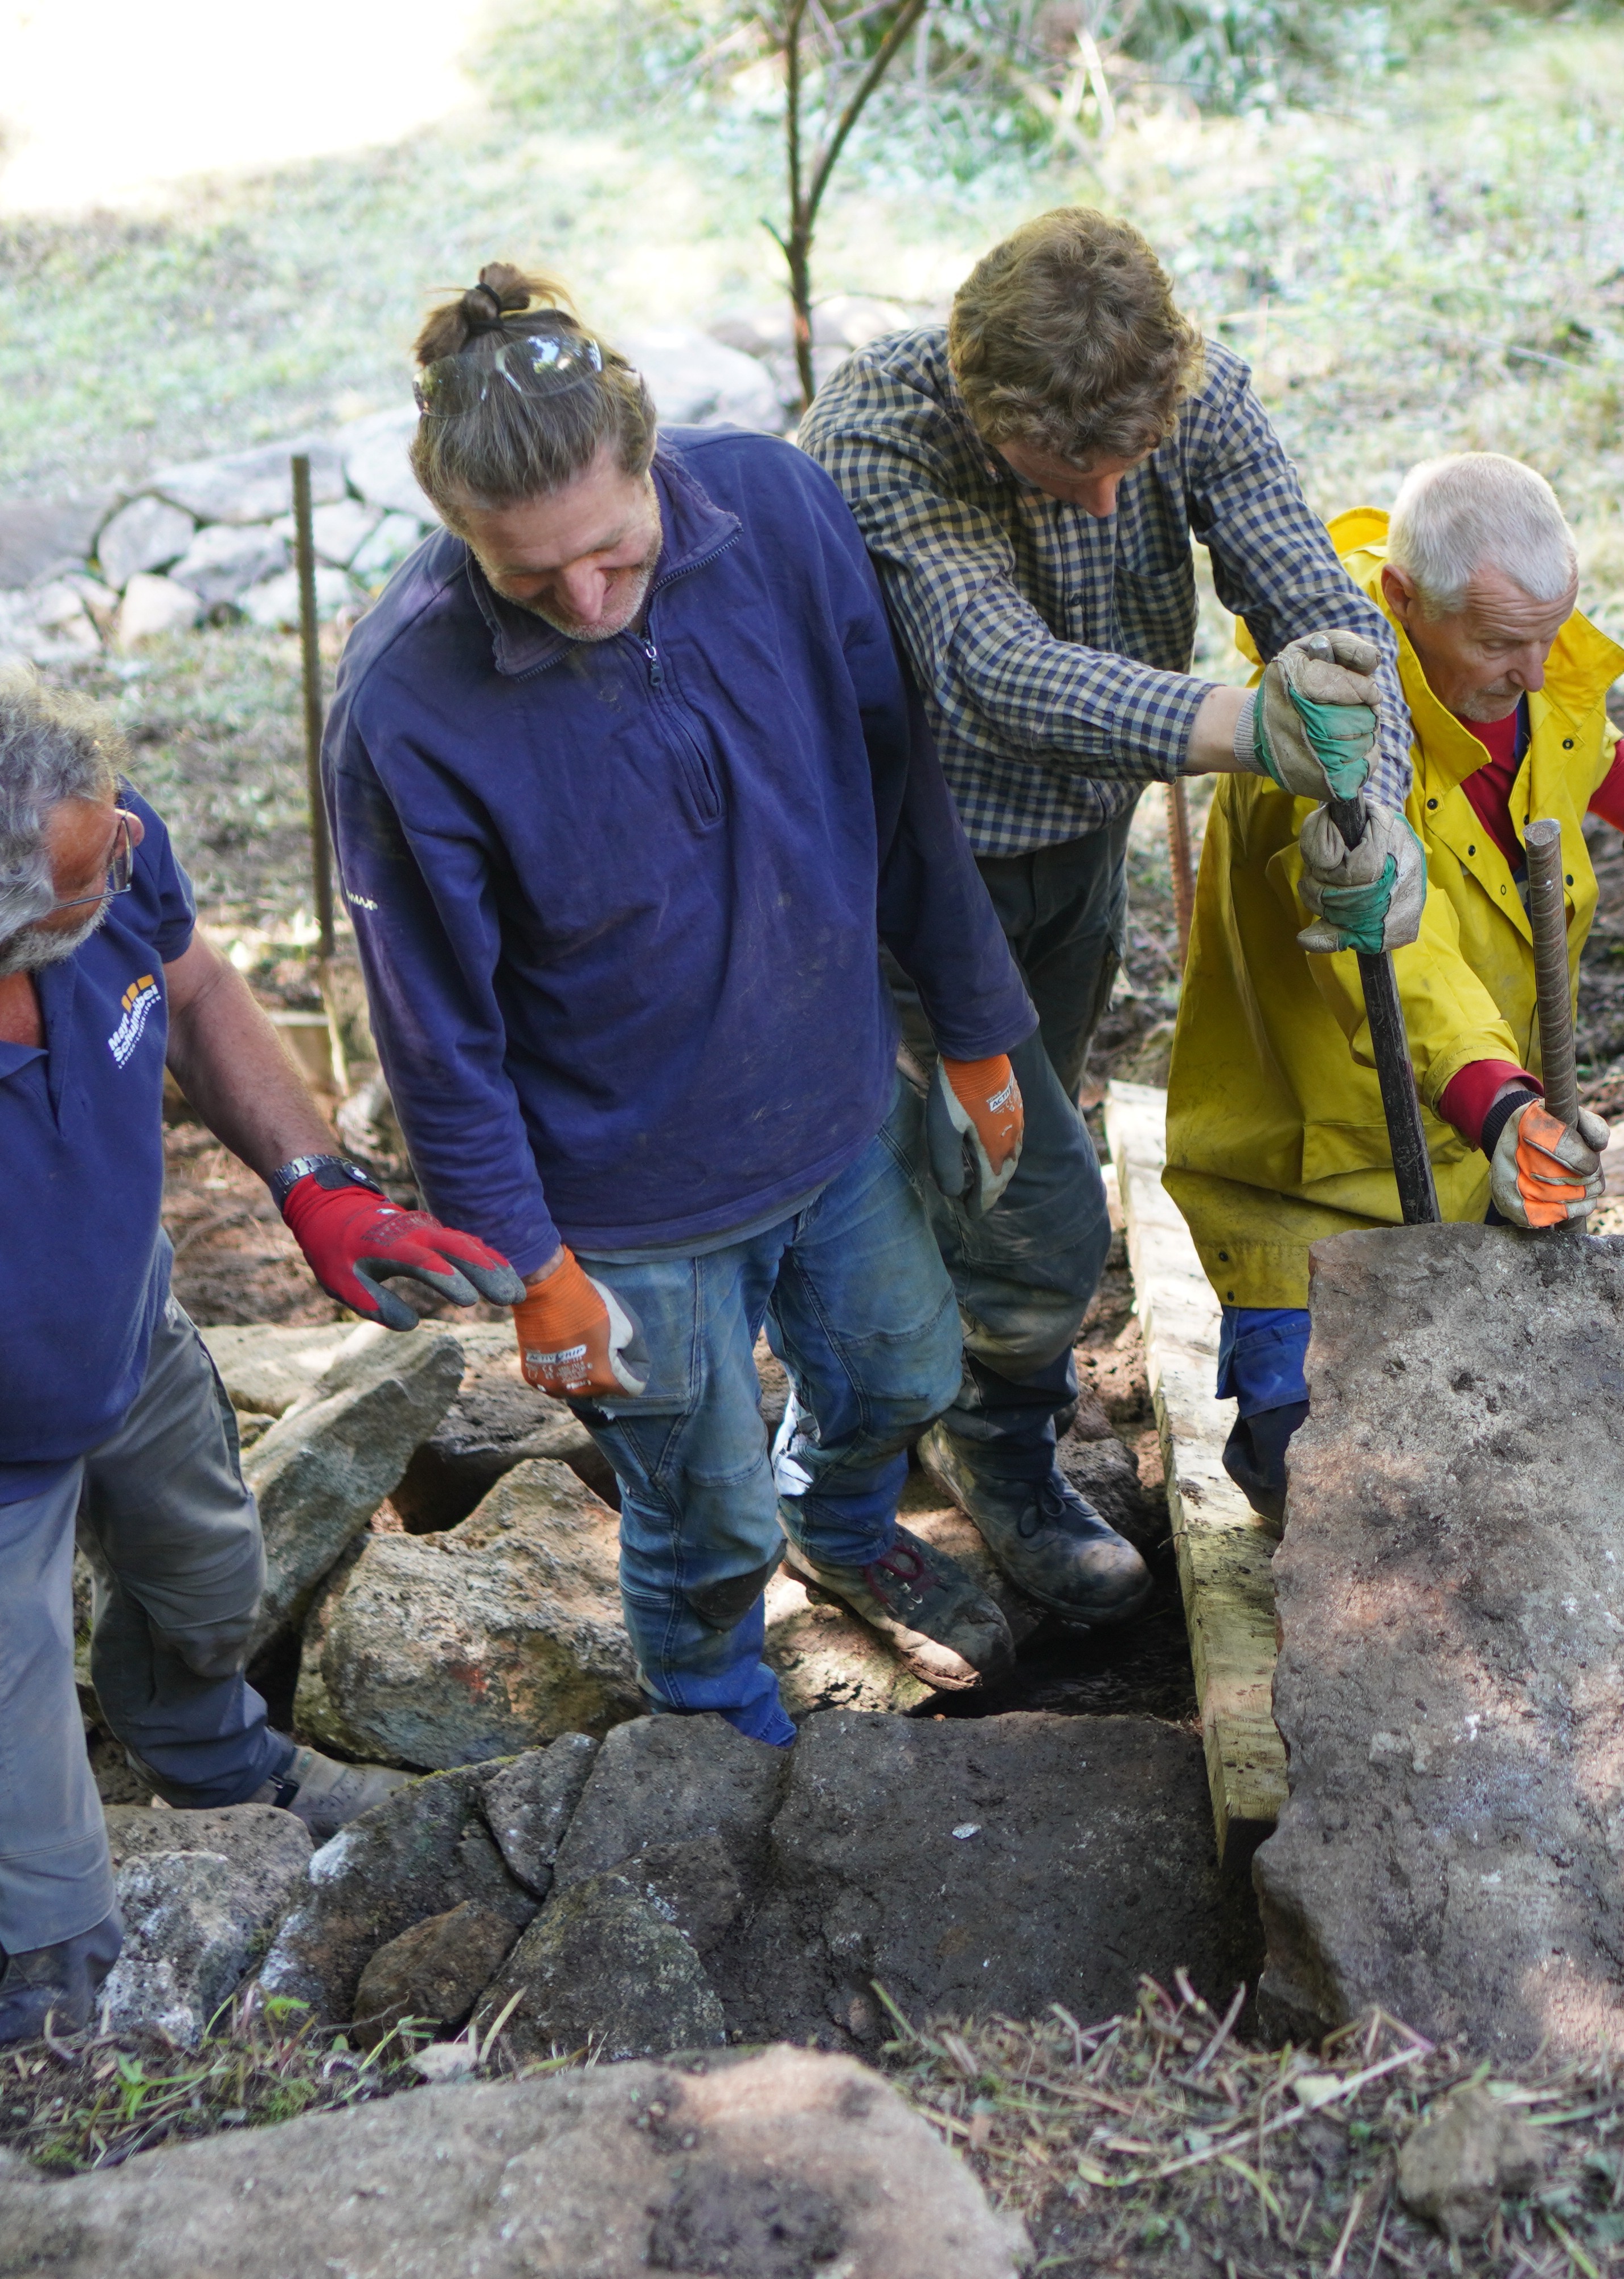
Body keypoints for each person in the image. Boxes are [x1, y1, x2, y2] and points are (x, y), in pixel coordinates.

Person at [328, 267, 1048, 1740]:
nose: (586, 601)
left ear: (651, 453)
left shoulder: (779, 513)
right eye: (529, 579)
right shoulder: (403, 704)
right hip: (627, 1203)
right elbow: (433, 1029)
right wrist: (531, 1263)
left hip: (835, 1105)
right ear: (455, 531)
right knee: (697, 1502)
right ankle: (715, 1716)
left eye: (613, 548)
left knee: (905, 1367)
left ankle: (841, 1524)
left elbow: (898, 785)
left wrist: (974, 1023)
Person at [0, 672, 513, 2041]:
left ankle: (221, 1765)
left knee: (211, 1591)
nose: (134, 841)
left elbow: (193, 987)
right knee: (38, 1912)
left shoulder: (88, 833)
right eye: (98, 861)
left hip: (123, 1340)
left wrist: (317, 1179)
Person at [803, 210, 1421, 1599]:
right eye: (1061, 469)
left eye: (1125, 465)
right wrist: (1250, 729)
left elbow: (1320, 604)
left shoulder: (1194, 395)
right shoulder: (885, 430)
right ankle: (897, 1469)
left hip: (1077, 848)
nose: (1099, 499)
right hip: (902, 869)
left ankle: (952, 1419)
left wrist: (1370, 793)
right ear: (982, 400)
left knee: (988, 1150)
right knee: (1018, 1201)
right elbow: (1002, 670)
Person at [1164, 454, 1624, 1515]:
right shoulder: (1322, 739)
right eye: (1498, 643)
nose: (1531, 665)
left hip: (1484, 1151)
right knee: (1327, 1487)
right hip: (1318, 1178)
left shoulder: (1521, 653)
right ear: (1400, 600)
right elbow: (1398, 954)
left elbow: (1568, 732)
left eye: (1548, 632)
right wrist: (1505, 1104)